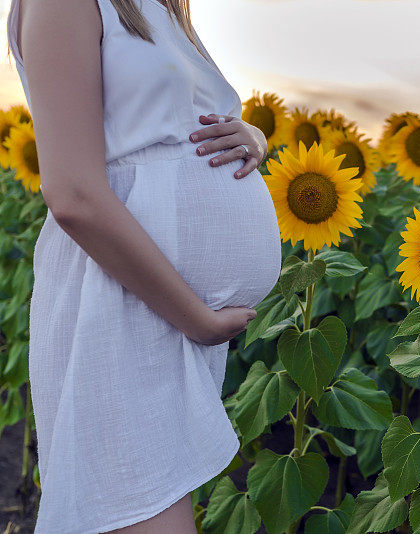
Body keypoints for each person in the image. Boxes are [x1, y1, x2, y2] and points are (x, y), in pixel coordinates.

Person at [6, 0, 282, 531]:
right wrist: (195, 318)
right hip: (119, 303)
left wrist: (254, 137)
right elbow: (73, 194)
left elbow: (180, 122)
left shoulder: (154, 6)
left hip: (156, 315)